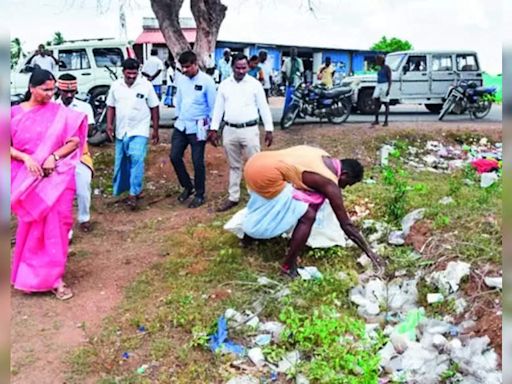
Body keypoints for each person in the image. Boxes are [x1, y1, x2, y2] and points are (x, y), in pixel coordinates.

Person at [241, 145, 385, 277]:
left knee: (267, 204)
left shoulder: (323, 155)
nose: (344, 188)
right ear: (344, 174)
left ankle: (248, 238)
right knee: (308, 216)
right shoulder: (329, 183)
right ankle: (288, 266)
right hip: (265, 175)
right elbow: (346, 224)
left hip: (256, 162)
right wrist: (370, 253)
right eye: (347, 184)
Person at [10, 69, 87, 300]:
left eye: (52, 89)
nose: (51, 94)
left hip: (57, 179)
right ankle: (29, 277)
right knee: (31, 227)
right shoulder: (13, 114)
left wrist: (53, 157)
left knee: (58, 227)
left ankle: (55, 279)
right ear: (32, 88)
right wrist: (26, 158)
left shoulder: (60, 113)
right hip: (28, 179)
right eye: (45, 89)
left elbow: (74, 141)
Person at [209, 53, 274, 212]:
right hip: (230, 130)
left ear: (247, 67)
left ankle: (256, 197)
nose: (241, 71)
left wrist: (269, 129)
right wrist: (214, 128)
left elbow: (263, 107)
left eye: (244, 67)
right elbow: (218, 108)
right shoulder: (225, 85)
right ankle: (233, 197)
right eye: (238, 68)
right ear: (232, 67)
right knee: (234, 165)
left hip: (250, 130)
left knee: (255, 165)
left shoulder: (255, 84)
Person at [106, 58, 160, 210]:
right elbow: (111, 106)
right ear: (123, 72)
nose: (131, 77)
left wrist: (155, 129)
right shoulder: (115, 86)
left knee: (136, 158)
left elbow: (154, 107)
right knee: (121, 162)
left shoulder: (146, 85)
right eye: (128, 74)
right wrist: (109, 125)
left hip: (139, 129)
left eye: (134, 74)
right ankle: (124, 189)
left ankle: (134, 193)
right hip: (121, 131)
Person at [171, 51, 217, 208]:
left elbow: (213, 107)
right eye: (182, 67)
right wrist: (177, 115)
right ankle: (187, 186)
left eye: (188, 67)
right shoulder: (181, 80)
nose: (185, 70)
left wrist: (212, 129)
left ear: (196, 64)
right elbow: (179, 99)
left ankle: (199, 194)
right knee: (174, 156)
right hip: (182, 124)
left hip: (198, 126)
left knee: (197, 161)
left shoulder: (207, 81)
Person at [56, 73, 95, 233]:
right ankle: (66, 228)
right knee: (63, 194)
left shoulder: (84, 108)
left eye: (73, 91)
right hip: (58, 156)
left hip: (80, 155)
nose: (70, 95)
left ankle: (84, 218)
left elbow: (90, 130)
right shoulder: (51, 108)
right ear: (59, 90)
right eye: (66, 92)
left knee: (83, 189)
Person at [371, 55, 392, 127]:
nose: (376, 62)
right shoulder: (380, 68)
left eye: (377, 60)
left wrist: (388, 89)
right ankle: (376, 120)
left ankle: (386, 121)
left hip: (384, 85)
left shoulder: (387, 68)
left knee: (386, 103)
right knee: (375, 102)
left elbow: (390, 79)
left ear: (381, 60)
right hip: (379, 85)